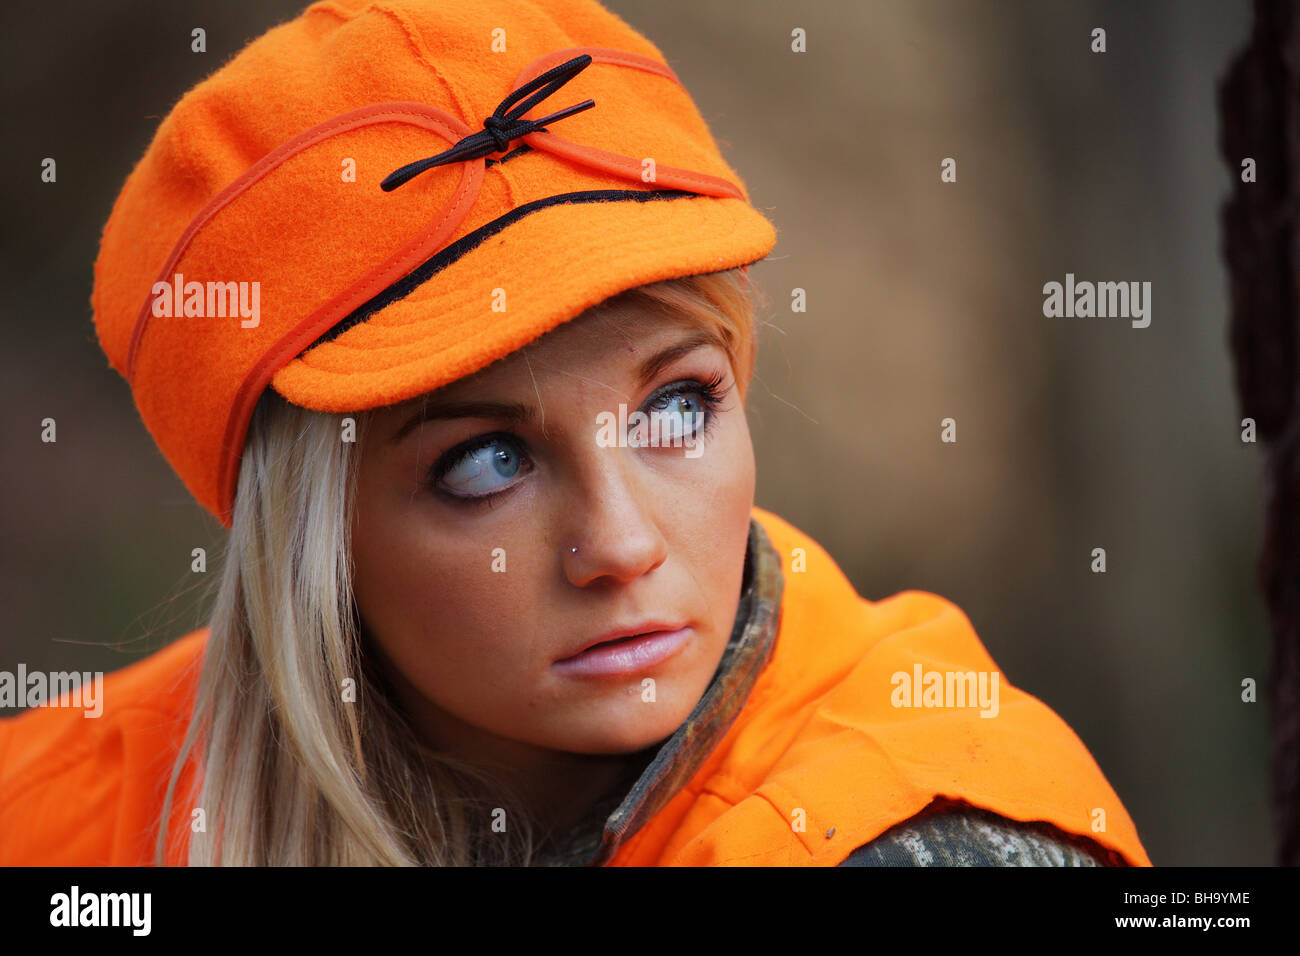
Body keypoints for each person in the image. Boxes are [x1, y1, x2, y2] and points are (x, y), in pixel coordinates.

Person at [0, 0, 1150, 867]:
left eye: (674, 405)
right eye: (487, 461)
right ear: (308, 544)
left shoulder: (919, 832)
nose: (621, 544)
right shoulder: (65, 815)